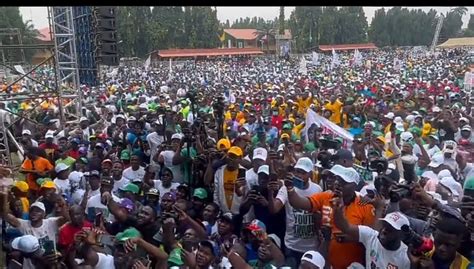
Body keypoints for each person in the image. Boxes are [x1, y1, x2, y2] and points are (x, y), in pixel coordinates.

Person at [286, 164, 376, 269]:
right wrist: (290, 189)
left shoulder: (364, 206)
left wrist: (351, 238)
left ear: (354, 186)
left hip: (352, 264)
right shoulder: (326, 196)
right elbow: (299, 203)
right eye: (337, 179)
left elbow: (371, 239)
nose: (338, 184)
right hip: (326, 261)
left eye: (343, 182)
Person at [268, 157, 322, 267]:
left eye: (303, 173)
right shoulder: (286, 188)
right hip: (292, 245)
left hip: (311, 247)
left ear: (310, 174)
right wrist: (270, 192)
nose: (299, 175)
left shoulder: (317, 190)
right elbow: (274, 209)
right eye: (297, 171)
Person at [333, 203, 411, 269]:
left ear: (401, 235)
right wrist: (337, 213)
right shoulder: (371, 236)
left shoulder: (405, 257)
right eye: (384, 226)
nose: (384, 231)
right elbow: (346, 227)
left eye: (390, 229)